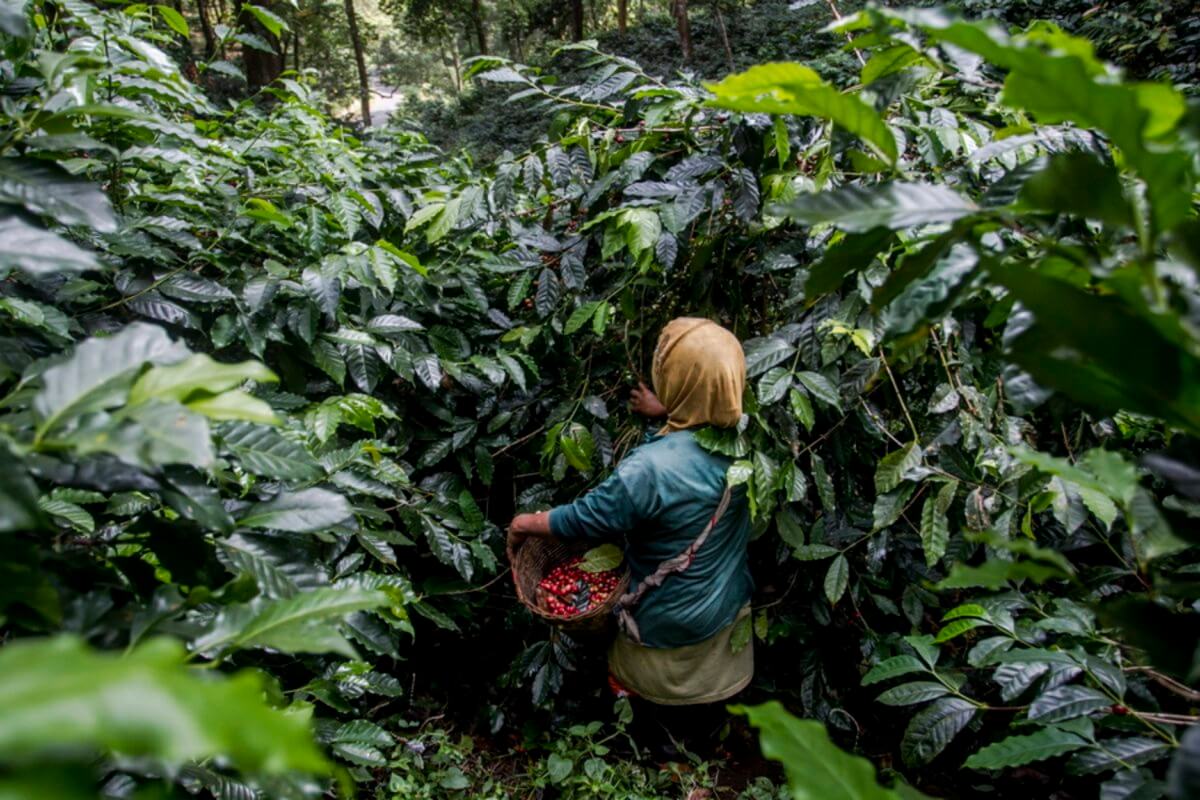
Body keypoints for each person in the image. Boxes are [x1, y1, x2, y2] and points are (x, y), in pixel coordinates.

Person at [507, 317, 754, 757]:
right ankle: (710, 728)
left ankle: (646, 740)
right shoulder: (748, 439)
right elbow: (688, 463)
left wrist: (527, 523)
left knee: (636, 691)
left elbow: (591, 517)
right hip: (725, 609)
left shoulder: (647, 469)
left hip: (666, 623)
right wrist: (667, 415)